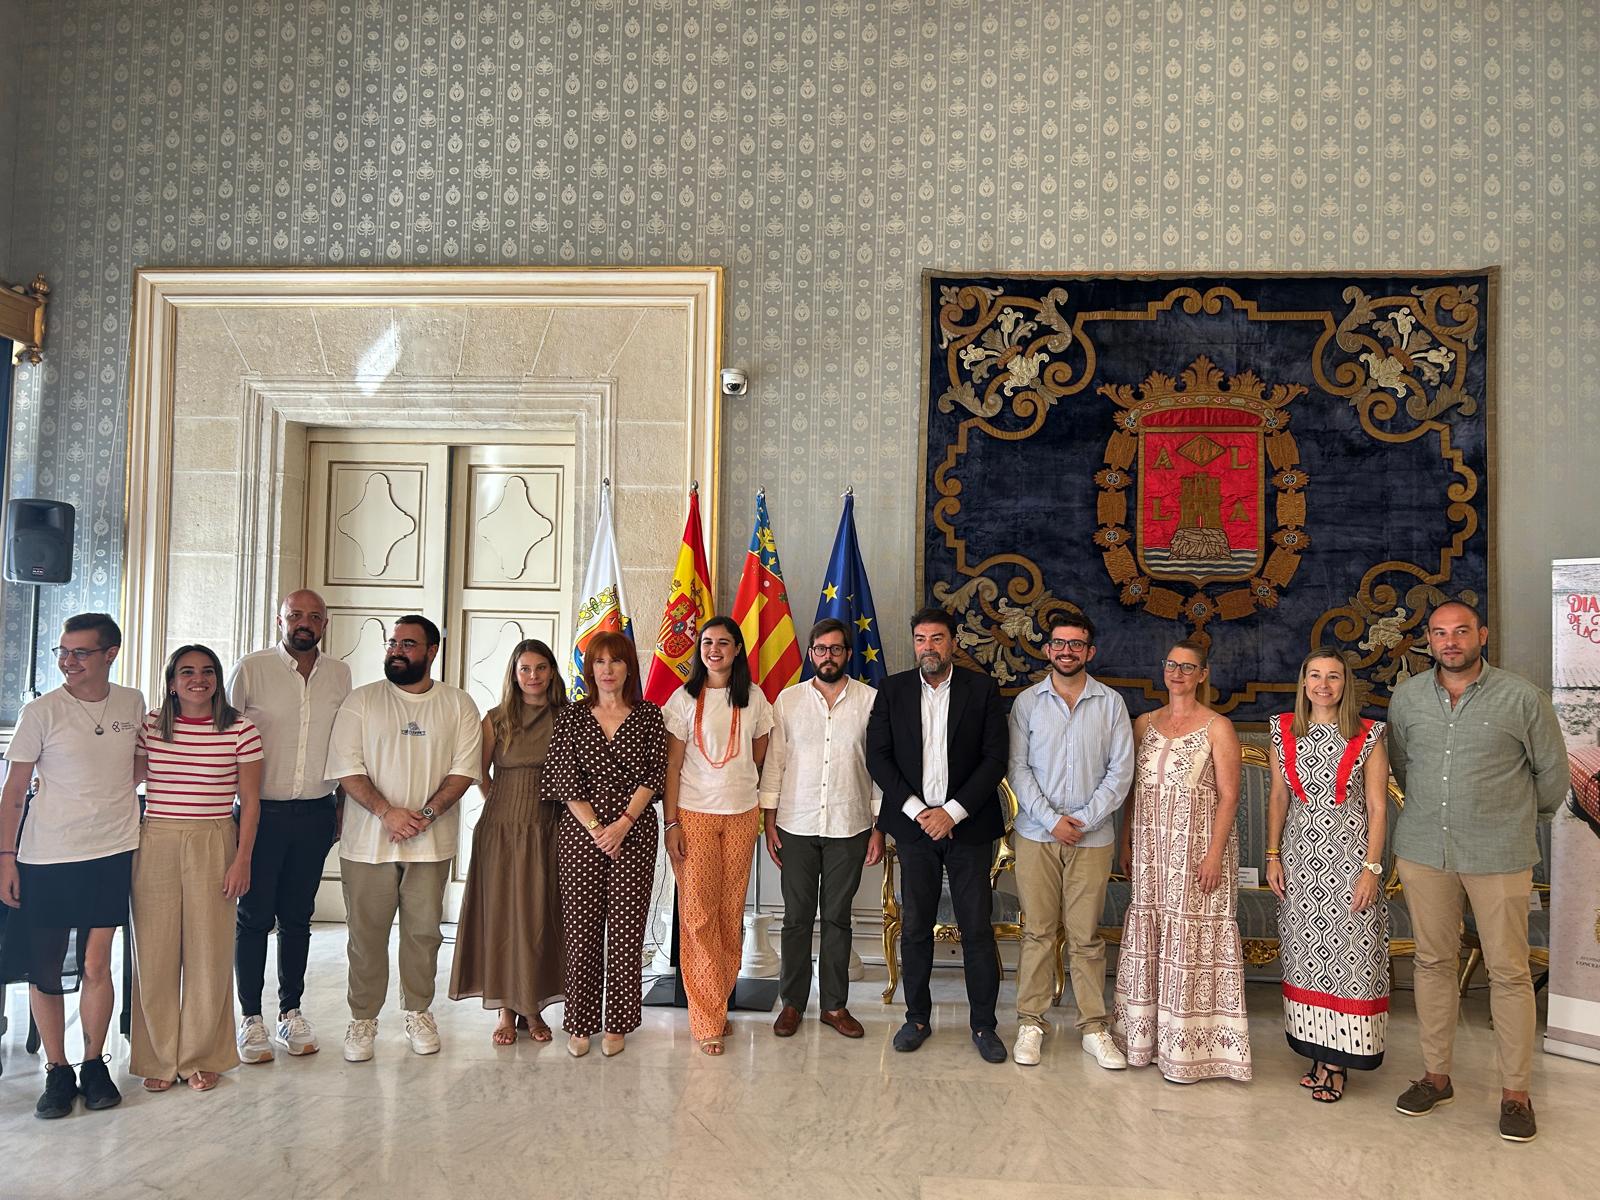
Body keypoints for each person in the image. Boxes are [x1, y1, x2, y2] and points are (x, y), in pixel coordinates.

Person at [1387, 600, 1565, 1142]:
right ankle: (1436, 1076)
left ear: (1481, 635)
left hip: (1499, 855)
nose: (1451, 642)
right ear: (1429, 640)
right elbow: (1402, 765)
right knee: (1433, 962)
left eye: (1461, 631)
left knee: (1508, 972)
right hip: (1424, 852)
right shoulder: (1408, 697)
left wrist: (1509, 821)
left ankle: (1515, 1093)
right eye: (1440, 633)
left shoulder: (1522, 697)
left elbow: (1552, 778)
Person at [0, 614, 143, 1119]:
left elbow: (137, 764)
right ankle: (57, 1071)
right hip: (48, 854)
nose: (68, 661)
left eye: (80, 652)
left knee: (97, 964)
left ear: (110, 653)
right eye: (63, 651)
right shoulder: (40, 711)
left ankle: (93, 1063)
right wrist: (5, 860)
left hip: (111, 850)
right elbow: (14, 792)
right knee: (46, 970)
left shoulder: (131, 702)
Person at [327, 615, 481, 1063]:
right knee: (366, 935)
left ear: (432, 651)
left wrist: (425, 815)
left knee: (422, 933)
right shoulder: (361, 701)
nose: (397, 650)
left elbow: (464, 770)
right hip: (367, 844)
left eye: (408, 644)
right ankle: (363, 1019)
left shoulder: (457, 704)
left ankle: (418, 1011)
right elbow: (346, 767)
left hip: (430, 844)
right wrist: (386, 813)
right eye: (393, 642)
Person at [866, 606, 1009, 1064]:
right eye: (921, 639)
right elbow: (879, 758)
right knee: (915, 927)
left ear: (953, 642)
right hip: (913, 828)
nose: (929, 646)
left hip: (967, 828)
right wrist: (918, 812)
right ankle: (917, 1018)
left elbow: (994, 759)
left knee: (976, 929)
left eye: (938, 638)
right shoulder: (891, 691)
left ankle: (984, 1025)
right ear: (914, 644)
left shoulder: (982, 690)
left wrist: (951, 812)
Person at [1111, 638, 1252, 1083]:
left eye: (1188, 667)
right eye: (1171, 665)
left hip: (1197, 852)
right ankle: (1143, 1041)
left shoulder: (1217, 726)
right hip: (1152, 849)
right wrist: (1126, 839)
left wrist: (1213, 855)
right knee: (1151, 929)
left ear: (1203, 674)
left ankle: (1192, 1050)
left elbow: (1230, 797)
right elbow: (1132, 789)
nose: (1178, 673)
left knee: (1189, 937)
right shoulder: (1144, 724)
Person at [130, 644, 263, 1093]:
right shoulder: (150, 726)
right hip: (157, 838)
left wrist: (242, 859)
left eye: (207, 671)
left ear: (218, 680)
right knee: (156, 953)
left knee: (209, 954)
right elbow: (124, 780)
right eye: (186, 672)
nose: (198, 679)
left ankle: (202, 1056)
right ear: (171, 682)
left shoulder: (241, 730)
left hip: (215, 838)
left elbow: (251, 803)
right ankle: (159, 1056)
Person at [227, 589, 352, 1064]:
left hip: (316, 813)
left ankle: (290, 1011)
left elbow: (344, 745)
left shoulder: (339, 674)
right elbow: (227, 735)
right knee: (254, 917)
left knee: (299, 917)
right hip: (261, 814)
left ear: (325, 624)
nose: (305, 623)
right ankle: (251, 1018)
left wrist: (341, 803)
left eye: (314, 617)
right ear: (279, 619)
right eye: (296, 615)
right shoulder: (252, 668)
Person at [1007, 613, 1134, 1070]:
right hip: (1036, 837)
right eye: (1059, 643)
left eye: (1076, 645)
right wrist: (1050, 819)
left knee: (1085, 937)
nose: (1066, 651)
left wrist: (1080, 820)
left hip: (1092, 838)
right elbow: (1018, 769)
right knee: (1038, 932)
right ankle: (1030, 1022)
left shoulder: (1112, 705)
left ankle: (1094, 1028)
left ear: (1090, 652)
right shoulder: (1027, 703)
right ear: (1047, 649)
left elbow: (1120, 773)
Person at [1265, 648, 1390, 1103]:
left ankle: (1338, 1062)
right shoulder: (1282, 731)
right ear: (1303, 682)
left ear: (1345, 684)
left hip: (1350, 859)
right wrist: (1273, 854)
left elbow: (1377, 807)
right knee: (1305, 956)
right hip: (1299, 859)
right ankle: (1318, 1052)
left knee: (1350, 956)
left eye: (1333, 677)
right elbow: (1279, 798)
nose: (1323, 684)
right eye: (1314, 675)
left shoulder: (1370, 734)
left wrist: (1371, 869)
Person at [540, 630, 666, 1058]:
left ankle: (619, 1023)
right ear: (589, 669)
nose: (607, 669)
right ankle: (580, 1021)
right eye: (599, 662)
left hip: (634, 833)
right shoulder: (572, 717)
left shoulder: (649, 715)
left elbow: (655, 773)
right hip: (582, 835)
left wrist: (623, 824)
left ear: (629, 666)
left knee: (628, 933)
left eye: (615, 661)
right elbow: (563, 779)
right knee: (582, 931)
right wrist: (598, 828)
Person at [761, 618, 883, 1040]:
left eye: (835, 649)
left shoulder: (870, 700)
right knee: (796, 918)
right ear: (810, 653)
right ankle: (792, 1004)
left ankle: (834, 1005)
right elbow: (775, 762)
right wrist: (769, 819)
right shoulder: (788, 701)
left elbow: (878, 768)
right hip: (795, 823)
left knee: (837, 918)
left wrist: (877, 827)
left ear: (848, 654)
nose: (827, 656)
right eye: (819, 649)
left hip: (849, 824)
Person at [662, 616, 774, 1055]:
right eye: (707, 642)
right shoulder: (683, 698)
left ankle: (717, 1003)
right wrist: (670, 823)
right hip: (695, 816)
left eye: (723, 643)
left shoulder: (756, 698)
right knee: (698, 915)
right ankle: (706, 1016)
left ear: (737, 650)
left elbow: (759, 752)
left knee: (730, 914)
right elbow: (671, 766)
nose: (714, 649)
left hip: (742, 815)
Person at [450, 639, 567, 1045]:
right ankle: (504, 1010)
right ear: (514, 675)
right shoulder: (496, 719)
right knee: (503, 917)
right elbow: (478, 773)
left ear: (552, 672)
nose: (532, 676)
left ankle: (532, 1006)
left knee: (537, 917)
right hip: (501, 830)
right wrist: (503, 806)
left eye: (540, 668)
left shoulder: (567, 718)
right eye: (524, 669)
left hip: (550, 827)